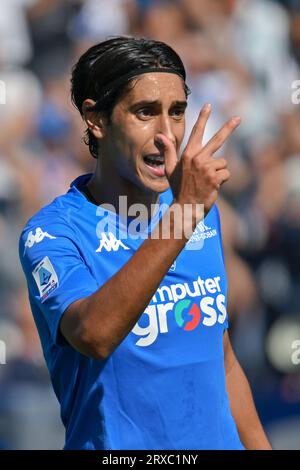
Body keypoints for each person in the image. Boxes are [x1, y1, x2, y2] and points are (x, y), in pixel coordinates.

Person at [19, 36, 271, 450]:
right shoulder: (53, 232)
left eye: (176, 113)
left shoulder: (198, 211)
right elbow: (95, 334)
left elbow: (220, 359)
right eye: (144, 113)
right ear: (96, 119)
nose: (166, 135)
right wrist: (184, 217)